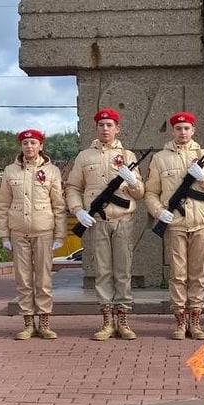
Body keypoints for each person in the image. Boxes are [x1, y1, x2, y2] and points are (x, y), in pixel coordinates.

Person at [64, 108, 145, 341]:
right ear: (96, 128)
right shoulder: (84, 157)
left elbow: (140, 193)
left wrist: (133, 182)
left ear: (117, 128)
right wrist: (78, 210)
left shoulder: (128, 156)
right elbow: (73, 187)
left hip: (123, 220)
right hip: (97, 221)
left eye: (110, 125)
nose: (105, 129)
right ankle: (107, 321)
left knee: (123, 271)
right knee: (102, 271)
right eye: (101, 125)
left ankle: (123, 320)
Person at [145, 111, 204, 340]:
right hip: (175, 224)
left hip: (200, 223)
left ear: (193, 130)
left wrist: (203, 178)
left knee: (197, 275)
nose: (182, 132)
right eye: (178, 128)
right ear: (173, 131)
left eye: (186, 128)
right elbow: (150, 193)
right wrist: (159, 212)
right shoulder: (160, 158)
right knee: (178, 275)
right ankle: (180, 321)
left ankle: (195, 321)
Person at [0, 129, 67, 340]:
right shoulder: (10, 171)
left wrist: (60, 235)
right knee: (23, 280)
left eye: (33, 142)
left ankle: (44, 322)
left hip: (43, 231)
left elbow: (58, 205)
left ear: (41, 146)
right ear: (21, 146)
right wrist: (4, 236)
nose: (29, 146)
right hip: (18, 232)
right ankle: (28, 322)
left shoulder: (52, 171)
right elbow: (3, 205)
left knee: (43, 279)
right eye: (25, 143)